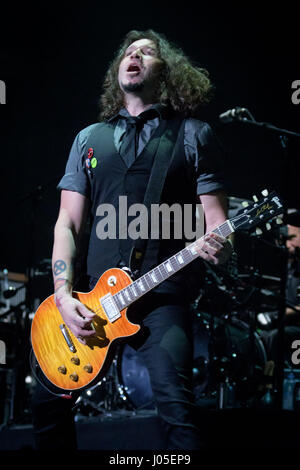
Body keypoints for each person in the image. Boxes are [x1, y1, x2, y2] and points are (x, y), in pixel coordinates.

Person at [31, 29, 233, 450]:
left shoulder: (193, 134)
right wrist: (64, 297)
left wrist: (220, 246)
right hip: (91, 305)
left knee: (177, 409)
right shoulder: (88, 140)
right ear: (117, 70)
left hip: (162, 298)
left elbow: (217, 224)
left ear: (168, 72)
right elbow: (66, 224)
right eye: (128, 52)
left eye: (147, 53)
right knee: (47, 410)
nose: (135, 57)